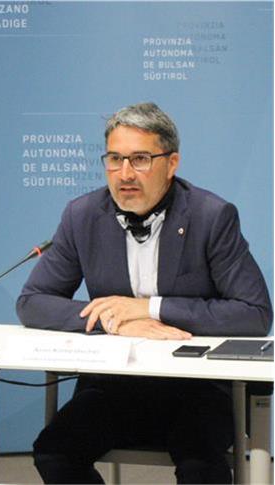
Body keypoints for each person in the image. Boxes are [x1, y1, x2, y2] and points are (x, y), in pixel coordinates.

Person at [16, 102, 272, 484]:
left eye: (140, 159)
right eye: (114, 159)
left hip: (197, 388)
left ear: (172, 163)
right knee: (55, 452)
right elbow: (32, 302)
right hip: (115, 387)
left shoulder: (211, 216)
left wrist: (150, 308)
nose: (125, 174)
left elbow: (254, 313)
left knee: (201, 466)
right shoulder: (82, 216)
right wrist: (113, 321)